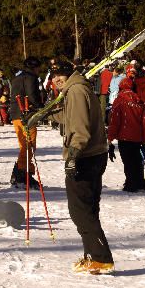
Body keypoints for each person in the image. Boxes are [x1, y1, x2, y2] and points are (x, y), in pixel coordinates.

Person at [46, 61, 114, 275]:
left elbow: (79, 128)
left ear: (69, 74)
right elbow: (71, 116)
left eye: (61, 75)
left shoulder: (74, 90)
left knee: (80, 210)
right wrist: (45, 114)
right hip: (94, 154)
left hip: (84, 155)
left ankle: (101, 258)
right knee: (88, 208)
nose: (57, 79)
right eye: (54, 76)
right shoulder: (79, 88)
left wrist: (73, 155)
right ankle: (93, 255)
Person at [107, 78, 145, 192]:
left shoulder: (119, 100)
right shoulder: (139, 101)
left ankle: (131, 183)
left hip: (124, 136)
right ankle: (139, 182)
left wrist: (110, 137)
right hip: (137, 137)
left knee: (128, 161)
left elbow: (115, 121)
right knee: (136, 160)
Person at [9, 56, 42, 188]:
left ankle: (20, 172)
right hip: (26, 115)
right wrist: (40, 106)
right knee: (29, 145)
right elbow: (32, 95)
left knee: (24, 144)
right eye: (39, 68)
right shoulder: (31, 77)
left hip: (16, 114)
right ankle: (22, 174)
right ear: (35, 67)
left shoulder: (17, 77)